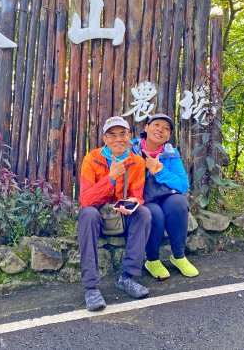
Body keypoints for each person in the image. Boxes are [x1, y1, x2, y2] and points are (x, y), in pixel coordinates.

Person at [78, 116, 152, 311]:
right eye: (112, 135)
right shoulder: (92, 159)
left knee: (144, 213)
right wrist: (111, 178)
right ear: (104, 138)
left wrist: (135, 202)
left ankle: (127, 277)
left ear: (129, 136)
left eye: (123, 134)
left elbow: (138, 195)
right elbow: (86, 199)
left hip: (122, 216)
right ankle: (91, 288)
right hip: (98, 218)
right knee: (87, 214)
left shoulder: (137, 162)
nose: (118, 139)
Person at [131, 112, 199, 280]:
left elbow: (183, 185)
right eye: (156, 125)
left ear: (169, 135)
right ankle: (152, 260)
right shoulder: (131, 150)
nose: (160, 130)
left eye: (166, 128)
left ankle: (178, 256)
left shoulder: (171, 153)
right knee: (155, 214)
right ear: (146, 128)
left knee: (179, 203)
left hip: (166, 195)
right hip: (143, 198)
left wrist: (160, 170)